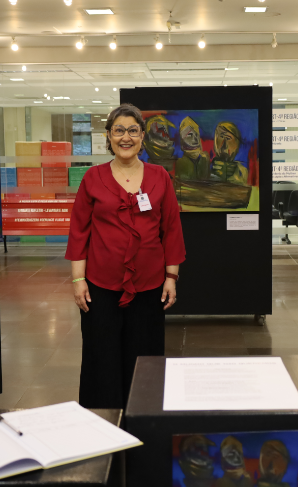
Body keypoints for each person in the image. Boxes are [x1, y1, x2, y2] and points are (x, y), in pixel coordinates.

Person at [65, 103, 186, 409]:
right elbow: (79, 231)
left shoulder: (160, 177)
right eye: (119, 130)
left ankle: (143, 417)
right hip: (100, 287)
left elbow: (171, 229)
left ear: (142, 136)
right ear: (109, 136)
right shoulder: (92, 177)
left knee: (144, 356)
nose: (126, 137)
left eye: (133, 130)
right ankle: (103, 419)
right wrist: (78, 280)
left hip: (149, 286)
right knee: (101, 355)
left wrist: (171, 277)